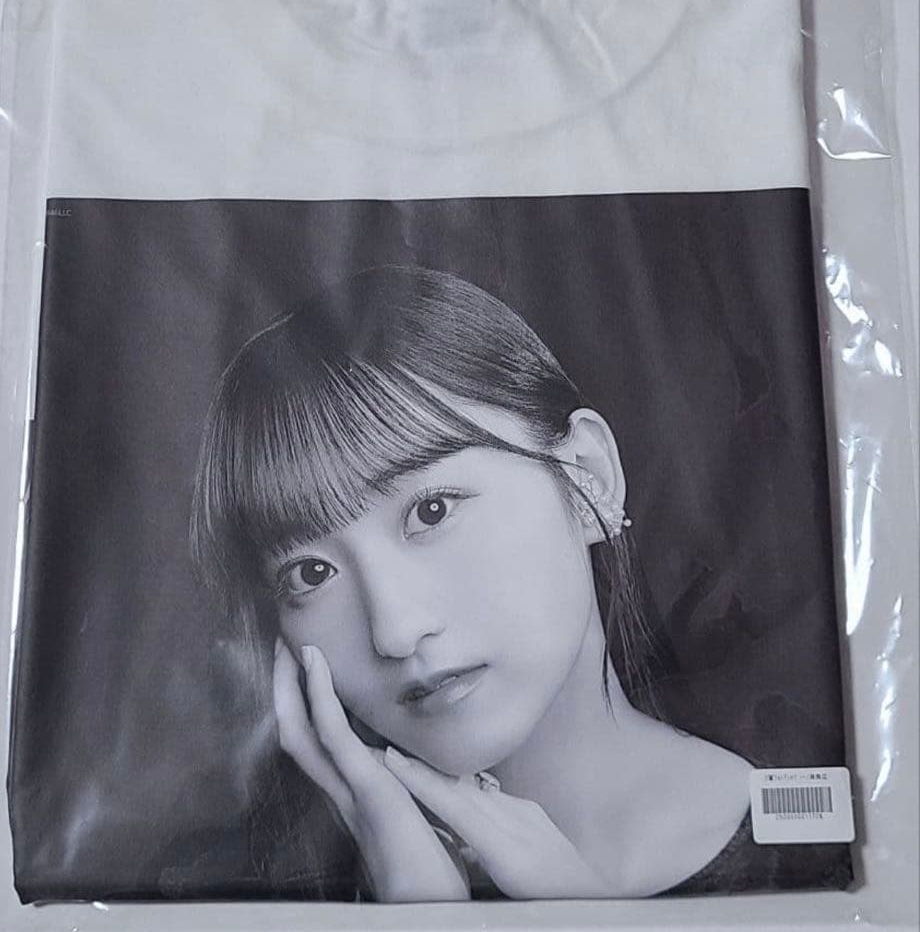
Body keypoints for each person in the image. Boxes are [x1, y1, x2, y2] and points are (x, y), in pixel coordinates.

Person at [189, 264, 753, 901]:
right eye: (311, 573)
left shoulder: (816, 855)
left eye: (432, 511)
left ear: (586, 476)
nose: (396, 632)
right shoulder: (231, 898)